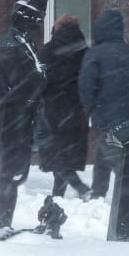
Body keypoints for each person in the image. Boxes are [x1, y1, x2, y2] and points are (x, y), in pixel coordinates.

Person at [0, 0, 49, 240]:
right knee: (8, 176)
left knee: (13, 174)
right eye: (36, 18)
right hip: (15, 120)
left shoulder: (20, 42)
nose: (38, 23)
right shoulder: (12, 44)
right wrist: (38, 79)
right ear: (25, 17)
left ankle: (4, 222)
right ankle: (2, 225)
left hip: (21, 119)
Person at [78, 9, 129, 199]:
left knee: (112, 155)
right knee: (103, 154)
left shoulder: (95, 53)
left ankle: (128, 196)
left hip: (104, 113)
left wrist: (87, 109)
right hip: (126, 112)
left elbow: (87, 85)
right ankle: (97, 192)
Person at [37, 14, 91, 201]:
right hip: (77, 109)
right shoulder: (84, 50)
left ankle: (80, 187)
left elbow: (39, 79)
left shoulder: (49, 49)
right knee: (66, 153)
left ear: (57, 28)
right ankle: (58, 196)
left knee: (56, 154)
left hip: (53, 109)